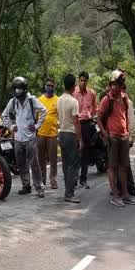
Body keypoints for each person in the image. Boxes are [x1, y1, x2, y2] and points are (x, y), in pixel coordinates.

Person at [2, 76, 48, 197]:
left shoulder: (32, 100)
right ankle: (26, 186)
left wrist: (37, 126)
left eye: (19, 89)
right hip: (18, 138)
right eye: (16, 89)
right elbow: (4, 115)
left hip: (30, 138)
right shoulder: (13, 101)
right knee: (21, 163)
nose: (18, 91)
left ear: (24, 89)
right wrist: (11, 127)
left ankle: (39, 187)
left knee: (35, 164)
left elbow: (44, 110)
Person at [97, 70, 135, 207]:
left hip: (123, 137)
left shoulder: (124, 98)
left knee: (123, 167)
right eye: (114, 84)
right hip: (113, 137)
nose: (117, 87)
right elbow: (99, 119)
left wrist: (128, 134)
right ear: (110, 84)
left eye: (119, 84)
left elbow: (125, 116)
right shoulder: (107, 100)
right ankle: (115, 195)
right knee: (112, 167)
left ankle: (125, 195)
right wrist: (106, 135)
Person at [57, 74, 82, 202]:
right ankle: (69, 193)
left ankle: (67, 190)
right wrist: (80, 139)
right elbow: (76, 122)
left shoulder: (59, 100)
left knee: (66, 164)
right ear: (73, 86)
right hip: (71, 134)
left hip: (61, 133)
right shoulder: (73, 101)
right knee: (73, 164)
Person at [74, 71, 98, 189]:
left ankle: (83, 178)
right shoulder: (73, 92)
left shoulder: (92, 93)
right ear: (79, 80)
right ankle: (73, 179)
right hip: (76, 123)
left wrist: (90, 116)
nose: (83, 83)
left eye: (85, 81)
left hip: (87, 124)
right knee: (75, 151)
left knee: (85, 151)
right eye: (81, 80)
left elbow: (95, 108)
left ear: (87, 81)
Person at [37, 77, 60, 189]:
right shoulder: (39, 99)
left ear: (54, 87)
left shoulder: (58, 100)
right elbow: (35, 116)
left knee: (53, 159)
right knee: (41, 159)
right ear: (45, 86)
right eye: (48, 85)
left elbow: (60, 115)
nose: (49, 87)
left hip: (53, 134)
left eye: (51, 86)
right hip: (41, 133)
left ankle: (53, 180)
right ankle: (42, 180)